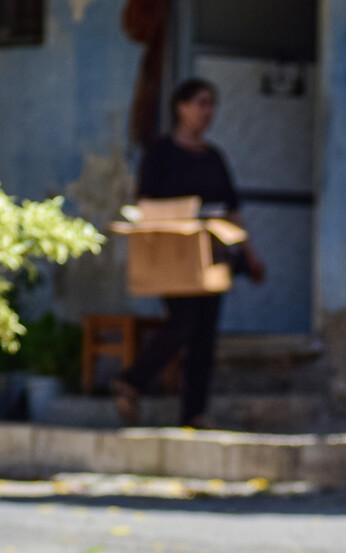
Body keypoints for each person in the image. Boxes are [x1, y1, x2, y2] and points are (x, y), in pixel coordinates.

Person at [115, 77, 266, 429]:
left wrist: (249, 253)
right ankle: (133, 380)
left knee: (205, 334)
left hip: (213, 251)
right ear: (180, 107)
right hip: (175, 251)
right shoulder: (161, 153)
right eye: (201, 103)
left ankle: (195, 413)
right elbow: (145, 203)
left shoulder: (214, 157)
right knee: (183, 323)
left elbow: (232, 210)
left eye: (211, 104)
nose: (207, 112)